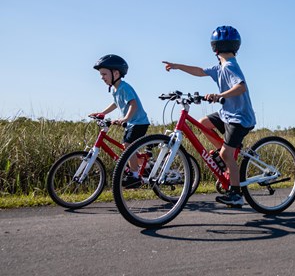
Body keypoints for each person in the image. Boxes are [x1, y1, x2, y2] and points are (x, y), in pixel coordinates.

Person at [162, 25, 256, 207]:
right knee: (203, 123)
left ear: (214, 48)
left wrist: (220, 95)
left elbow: (241, 87)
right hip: (227, 114)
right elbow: (200, 71)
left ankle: (236, 195)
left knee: (227, 155)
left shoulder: (229, 66)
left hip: (240, 118)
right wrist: (178, 66)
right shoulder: (220, 66)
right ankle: (226, 152)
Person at [89, 54, 150, 188]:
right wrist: (102, 113)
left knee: (128, 145)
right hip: (132, 123)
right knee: (126, 146)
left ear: (116, 73)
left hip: (139, 122)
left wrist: (125, 118)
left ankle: (134, 176)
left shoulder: (124, 87)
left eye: (104, 74)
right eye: (101, 74)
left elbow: (133, 104)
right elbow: (115, 104)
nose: (102, 77)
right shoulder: (115, 89)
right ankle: (144, 166)